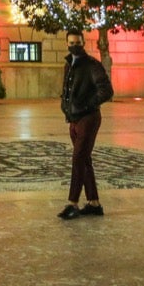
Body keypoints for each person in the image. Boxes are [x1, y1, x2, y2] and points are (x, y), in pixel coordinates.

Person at [58, 29, 113, 220]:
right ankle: (93, 203)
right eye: (71, 43)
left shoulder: (92, 65)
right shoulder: (69, 65)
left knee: (78, 159)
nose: (75, 46)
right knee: (84, 159)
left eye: (78, 43)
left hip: (88, 118)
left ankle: (72, 203)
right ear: (67, 43)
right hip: (74, 118)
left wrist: (87, 104)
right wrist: (66, 107)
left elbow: (106, 90)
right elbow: (67, 88)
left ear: (83, 43)